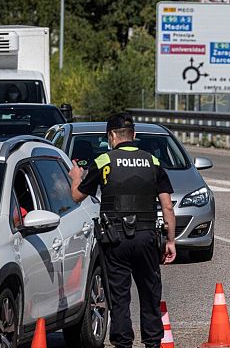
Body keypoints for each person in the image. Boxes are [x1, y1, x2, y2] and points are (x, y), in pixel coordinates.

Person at [68, 113, 176, 348]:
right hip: (147, 237)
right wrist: (171, 241)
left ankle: (123, 343)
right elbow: (167, 205)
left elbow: (77, 196)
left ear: (111, 135)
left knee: (119, 296)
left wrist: (76, 178)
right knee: (150, 293)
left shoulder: (103, 161)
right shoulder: (153, 162)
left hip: (115, 239)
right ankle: (152, 343)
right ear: (134, 135)